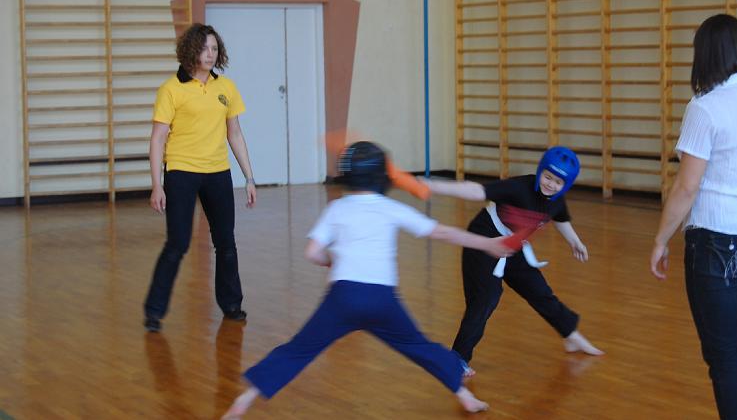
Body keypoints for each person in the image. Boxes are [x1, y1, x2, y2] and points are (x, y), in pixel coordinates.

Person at [222, 141, 512, 419]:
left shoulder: (337, 208)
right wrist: (487, 244)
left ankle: (244, 400)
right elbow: (442, 232)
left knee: (299, 349)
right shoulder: (389, 207)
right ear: (381, 176)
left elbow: (312, 252)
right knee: (419, 346)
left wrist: (332, 260)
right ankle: (464, 395)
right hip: (382, 300)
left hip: (342, 298)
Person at [650, 14, 737, 420]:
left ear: (705, 55)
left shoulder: (705, 108)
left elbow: (686, 187)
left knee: (724, 355)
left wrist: (660, 240)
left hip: (716, 241)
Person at [421, 146, 604, 378]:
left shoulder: (556, 200)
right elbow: (476, 191)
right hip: (484, 238)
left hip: (513, 244)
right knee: (486, 298)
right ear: (540, 171)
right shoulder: (519, 188)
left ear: (565, 186)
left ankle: (570, 335)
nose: (550, 184)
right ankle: (458, 357)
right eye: (547, 177)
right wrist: (434, 186)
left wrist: (574, 241)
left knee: (539, 290)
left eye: (558, 182)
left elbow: (559, 216)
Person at [143, 23, 257, 333]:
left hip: (217, 172)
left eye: (215, 48)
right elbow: (157, 138)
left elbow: (235, 133)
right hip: (181, 172)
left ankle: (232, 305)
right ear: (191, 50)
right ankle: (154, 311)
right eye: (205, 48)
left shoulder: (226, 88)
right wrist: (157, 184)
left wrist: (249, 177)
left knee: (226, 243)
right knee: (177, 244)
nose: (210, 54)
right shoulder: (171, 89)